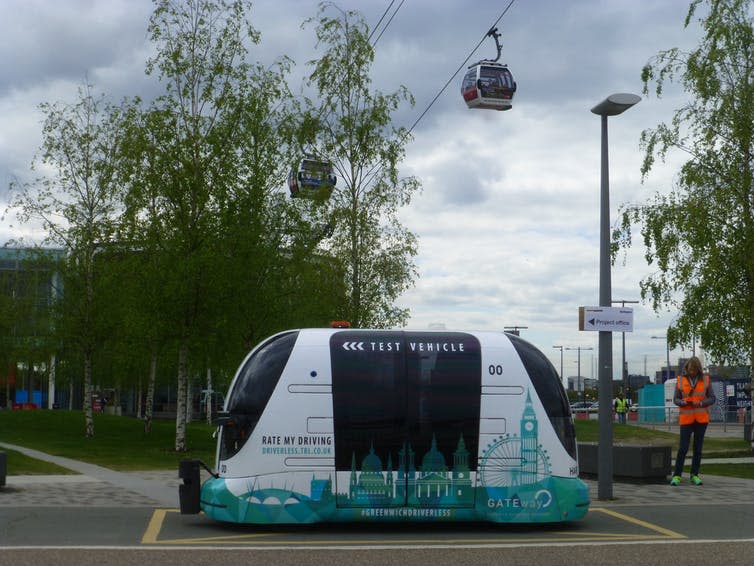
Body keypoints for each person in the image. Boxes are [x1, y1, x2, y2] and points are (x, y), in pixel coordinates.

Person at [670, 356, 716, 486]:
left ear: (698, 369)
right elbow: (675, 399)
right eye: (690, 370)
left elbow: (712, 398)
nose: (692, 372)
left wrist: (701, 403)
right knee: (683, 448)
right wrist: (683, 402)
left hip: (701, 419)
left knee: (698, 449)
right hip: (686, 419)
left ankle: (694, 475)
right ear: (687, 368)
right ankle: (677, 475)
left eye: (694, 370)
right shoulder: (680, 380)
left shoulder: (706, 380)